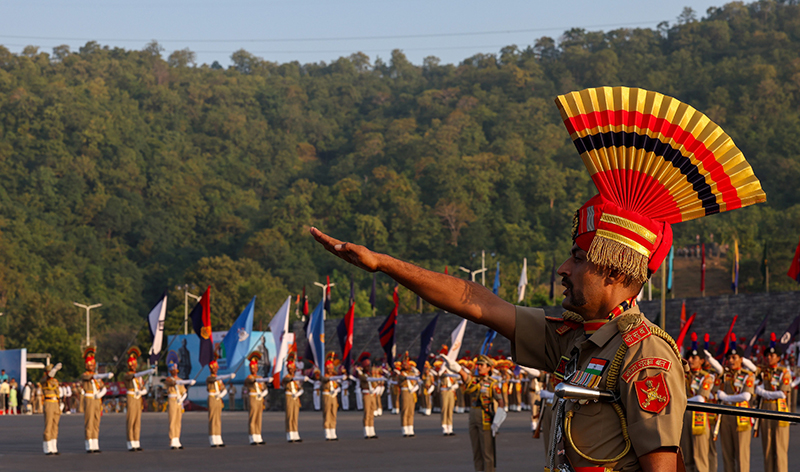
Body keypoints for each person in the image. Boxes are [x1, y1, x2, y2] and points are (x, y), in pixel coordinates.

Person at [442, 354, 506, 472]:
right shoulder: (475, 380)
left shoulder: (492, 384)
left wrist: (497, 421)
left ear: (489, 368)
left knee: (487, 453)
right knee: (476, 452)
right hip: (473, 416)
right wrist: (458, 369)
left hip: (485, 418)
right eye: (478, 365)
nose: (479, 367)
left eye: (482, 365)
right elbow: (466, 379)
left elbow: (501, 402)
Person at [717, 334, 755, 472]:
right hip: (726, 416)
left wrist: (725, 398)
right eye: (729, 358)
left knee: (742, 456)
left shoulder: (747, 375)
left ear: (741, 359)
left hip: (741, 416)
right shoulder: (725, 375)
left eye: (734, 358)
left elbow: (746, 396)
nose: (730, 360)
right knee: (727, 456)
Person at [755, 333, 792, 472]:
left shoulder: (784, 372)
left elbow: (783, 393)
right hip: (766, 409)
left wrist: (763, 393)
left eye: (772, 355)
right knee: (768, 449)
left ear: (778, 357)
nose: (769, 358)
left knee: (780, 449)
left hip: (779, 409)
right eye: (768, 355)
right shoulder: (764, 372)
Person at [681, 333, 715, 472]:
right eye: (689, 357)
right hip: (685, 416)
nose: (690, 360)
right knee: (686, 457)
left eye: (694, 358)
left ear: (701, 360)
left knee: (700, 458)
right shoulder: (683, 375)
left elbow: (701, 398)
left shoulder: (707, 376)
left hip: (698, 417)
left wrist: (682, 400)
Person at [122, 347, 155, 451]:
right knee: (131, 420)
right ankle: (130, 442)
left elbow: (143, 388)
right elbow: (134, 375)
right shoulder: (127, 375)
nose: (134, 365)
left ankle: (136, 442)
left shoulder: (139, 378)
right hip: (131, 397)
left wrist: (141, 391)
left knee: (137, 421)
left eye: (135, 363)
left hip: (138, 398)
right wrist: (147, 371)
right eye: (132, 363)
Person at [81, 346, 113, 453]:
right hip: (89, 398)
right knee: (89, 421)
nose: (92, 366)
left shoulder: (97, 377)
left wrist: (100, 394)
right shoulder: (85, 375)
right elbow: (90, 378)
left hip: (96, 399)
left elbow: (103, 387)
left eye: (93, 364)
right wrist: (105, 375)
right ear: (86, 365)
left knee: (96, 421)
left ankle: (95, 444)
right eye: (90, 364)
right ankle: (88, 444)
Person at [164, 360, 195, 449]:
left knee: (178, 421)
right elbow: (174, 383)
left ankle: (177, 439)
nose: (174, 371)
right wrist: (188, 381)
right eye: (173, 370)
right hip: (172, 400)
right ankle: (172, 439)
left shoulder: (180, 380)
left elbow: (184, 392)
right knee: (172, 420)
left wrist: (181, 399)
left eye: (175, 370)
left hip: (179, 401)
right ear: (170, 371)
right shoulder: (168, 379)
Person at [206, 355, 235, 447]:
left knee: (218, 419)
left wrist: (221, 395)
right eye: (215, 368)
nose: (216, 369)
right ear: (211, 369)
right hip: (212, 398)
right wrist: (228, 376)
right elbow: (216, 378)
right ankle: (212, 438)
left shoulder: (219, 380)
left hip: (218, 399)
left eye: (217, 368)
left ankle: (218, 437)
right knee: (212, 418)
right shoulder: (210, 378)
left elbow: (223, 389)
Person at [243, 351, 269, 445]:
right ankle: (252, 437)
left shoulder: (260, 377)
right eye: (252, 368)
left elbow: (265, 389)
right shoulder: (249, 377)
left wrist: (263, 394)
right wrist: (264, 379)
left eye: (255, 367)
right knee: (253, 417)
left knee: (259, 417)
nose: (254, 369)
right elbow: (252, 380)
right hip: (253, 398)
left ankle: (258, 436)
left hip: (259, 398)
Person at [320, 354, 345, 441]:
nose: (330, 370)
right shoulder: (323, 376)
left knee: (333, 413)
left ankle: (333, 431)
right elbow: (326, 380)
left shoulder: (334, 377)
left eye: (331, 368)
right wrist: (338, 377)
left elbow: (337, 385)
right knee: (327, 414)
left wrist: (336, 390)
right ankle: (327, 432)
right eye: (329, 368)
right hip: (326, 395)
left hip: (333, 396)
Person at [356, 353, 379, 439]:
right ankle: (366, 432)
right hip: (366, 394)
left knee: (371, 413)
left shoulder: (370, 374)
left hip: (372, 394)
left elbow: (373, 383)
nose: (368, 367)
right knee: (367, 412)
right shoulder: (361, 375)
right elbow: (366, 379)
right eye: (367, 366)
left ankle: (371, 431)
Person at [42, 362, 62, 455]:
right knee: (49, 425)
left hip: (55, 403)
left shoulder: (55, 381)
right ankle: (47, 447)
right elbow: (49, 376)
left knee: (55, 426)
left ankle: (54, 447)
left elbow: (58, 392)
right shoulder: (44, 380)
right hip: (49, 402)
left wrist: (60, 404)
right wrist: (55, 369)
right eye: (49, 370)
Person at [283, 353, 304, 442]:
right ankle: (289, 434)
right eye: (290, 368)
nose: (292, 370)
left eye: (293, 368)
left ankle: (295, 433)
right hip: (289, 396)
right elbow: (287, 380)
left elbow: (300, 387)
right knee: (289, 415)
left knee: (295, 415)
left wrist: (299, 392)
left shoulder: (296, 378)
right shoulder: (286, 377)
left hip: (295, 397)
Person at [397, 354, 419, 437]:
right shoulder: (401, 373)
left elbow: (416, 378)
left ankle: (410, 428)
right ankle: (404, 429)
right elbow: (403, 378)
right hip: (405, 391)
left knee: (411, 411)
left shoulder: (411, 373)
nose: (406, 365)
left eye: (407, 364)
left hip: (411, 392)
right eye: (404, 364)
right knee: (405, 410)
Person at [438, 356, 460, 436]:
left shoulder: (452, 374)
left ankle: (450, 428)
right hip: (444, 391)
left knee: (450, 409)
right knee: (444, 409)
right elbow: (441, 375)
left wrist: (453, 386)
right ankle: (444, 427)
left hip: (451, 391)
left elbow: (456, 383)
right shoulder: (443, 373)